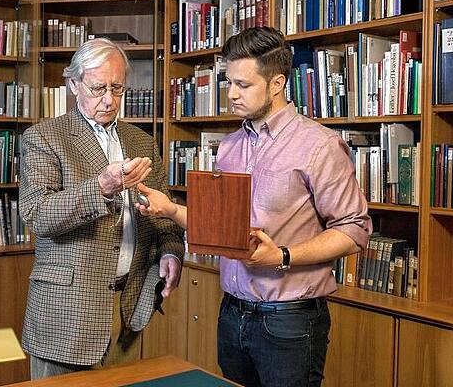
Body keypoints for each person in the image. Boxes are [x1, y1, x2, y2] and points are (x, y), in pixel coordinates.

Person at [136, 26, 372, 387]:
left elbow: (354, 230)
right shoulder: (229, 146)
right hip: (232, 313)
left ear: (276, 84)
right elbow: (220, 228)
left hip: (290, 320)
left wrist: (282, 256)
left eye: (243, 85)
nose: (231, 94)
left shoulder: (320, 146)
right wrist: (170, 210)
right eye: (229, 82)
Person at [19, 38, 185, 380]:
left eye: (117, 87)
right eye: (98, 88)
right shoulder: (45, 137)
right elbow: (37, 213)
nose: (109, 100)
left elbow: (163, 215)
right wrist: (101, 187)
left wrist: (171, 252)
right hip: (67, 313)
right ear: (73, 84)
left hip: (129, 305)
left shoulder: (141, 141)